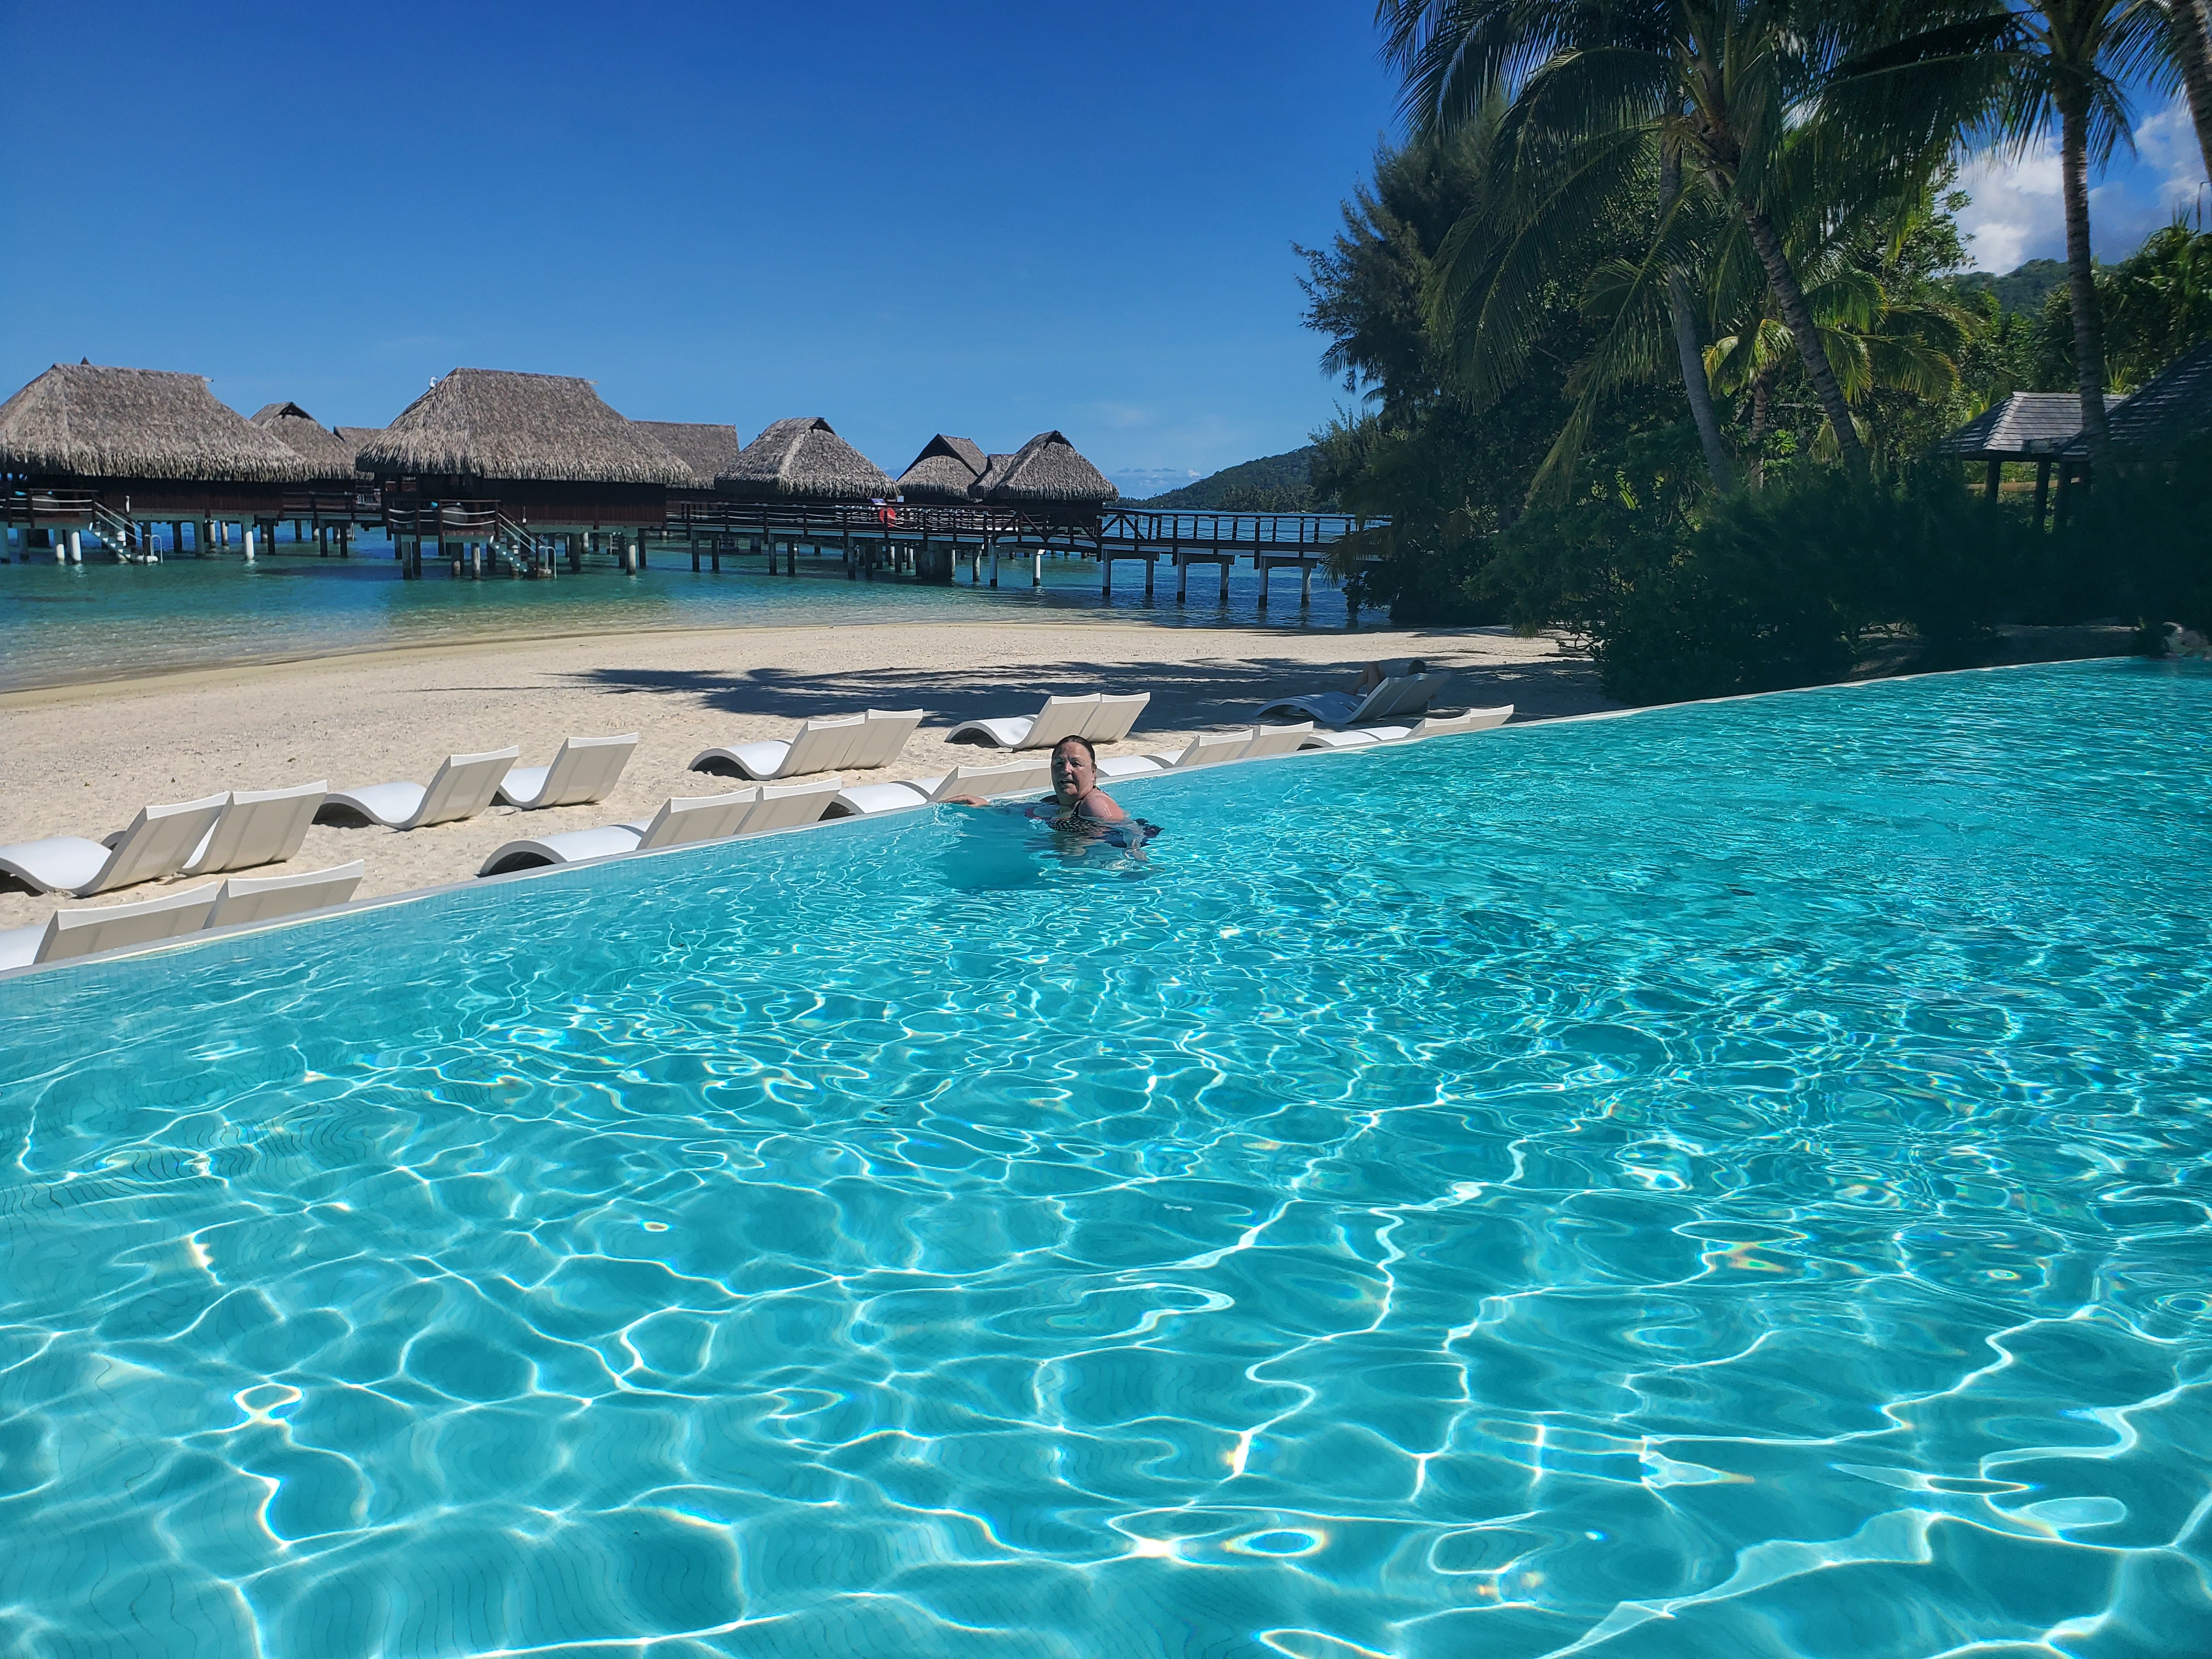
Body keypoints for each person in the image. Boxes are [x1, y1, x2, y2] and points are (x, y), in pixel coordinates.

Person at [951, 734, 1142, 841]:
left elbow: (1131, 834)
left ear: (1093, 772)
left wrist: (1136, 864)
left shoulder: (1095, 805)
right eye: (1059, 764)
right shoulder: (1054, 803)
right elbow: (1020, 810)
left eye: (1076, 764)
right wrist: (986, 806)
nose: (1066, 770)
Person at [1353, 656, 1427, 692]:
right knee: (1376, 665)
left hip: (1380, 701)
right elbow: (1432, 697)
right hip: (1390, 699)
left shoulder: (1407, 682)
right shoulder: (1425, 685)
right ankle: (1353, 689)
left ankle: (1353, 689)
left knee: (1371, 667)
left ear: (1409, 670)